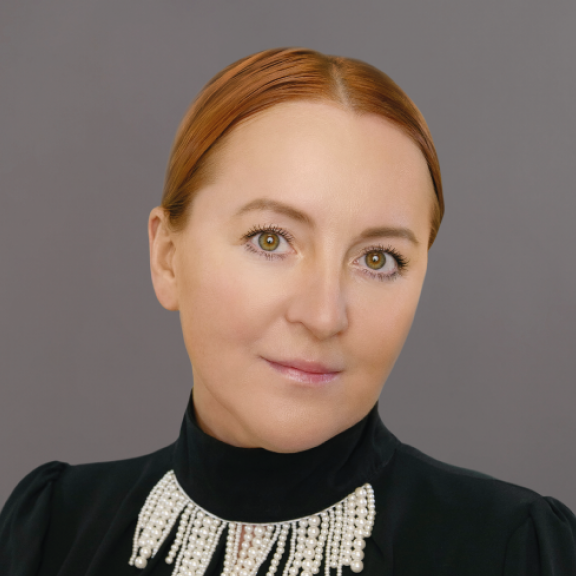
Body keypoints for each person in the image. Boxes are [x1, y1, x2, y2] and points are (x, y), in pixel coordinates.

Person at [0, 46, 574, 576]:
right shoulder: (52, 532)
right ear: (167, 257)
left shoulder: (512, 551)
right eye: (270, 240)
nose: (324, 316)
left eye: (378, 259)